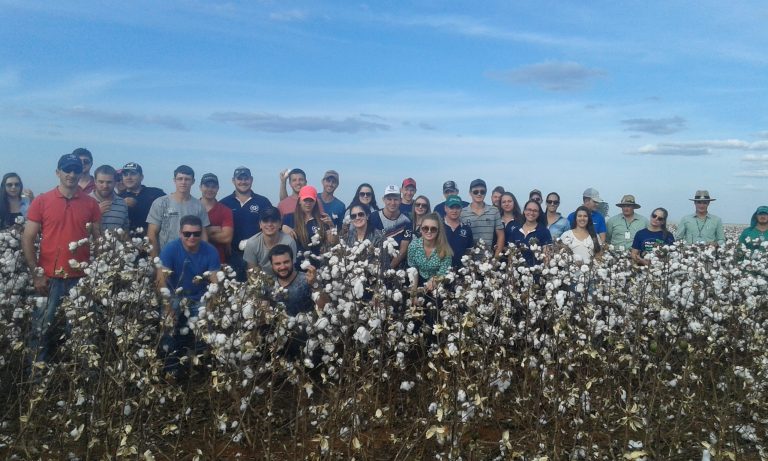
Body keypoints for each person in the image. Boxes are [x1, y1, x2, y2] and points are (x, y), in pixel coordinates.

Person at [22, 154, 101, 363]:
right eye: (67, 170)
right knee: (41, 331)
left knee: (82, 332)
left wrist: (96, 277)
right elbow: (28, 238)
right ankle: (36, 381)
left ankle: (81, 381)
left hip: (81, 279)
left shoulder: (91, 204)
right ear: (58, 172)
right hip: (49, 278)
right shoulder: (42, 201)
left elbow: (99, 241)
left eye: (76, 170)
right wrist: (36, 273)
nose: (72, 174)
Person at [156, 215, 220, 377]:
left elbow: (215, 282)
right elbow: (161, 281)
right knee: (167, 324)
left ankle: (201, 367)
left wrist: (211, 308)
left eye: (196, 234)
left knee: (206, 325)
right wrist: (169, 307)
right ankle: (171, 367)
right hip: (174, 295)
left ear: (201, 234)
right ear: (180, 233)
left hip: (200, 297)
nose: (192, 237)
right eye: (187, 234)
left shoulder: (210, 251)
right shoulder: (170, 249)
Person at [219, 166, 273, 281]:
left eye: (246, 178)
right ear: (233, 180)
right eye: (240, 179)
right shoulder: (224, 203)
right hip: (232, 257)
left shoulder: (263, 202)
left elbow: (273, 224)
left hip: (259, 256)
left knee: (257, 292)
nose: (243, 182)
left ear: (251, 180)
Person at [147, 165, 210, 258]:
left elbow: (203, 235)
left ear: (193, 181)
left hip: (191, 259)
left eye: (187, 179)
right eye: (180, 179)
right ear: (174, 180)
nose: (183, 182)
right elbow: (152, 233)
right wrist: (155, 261)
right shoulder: (160, 203)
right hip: (165, 258)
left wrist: (203, 259)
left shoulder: (199, 205)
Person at [282, 185, 337, 267]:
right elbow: (272, 229)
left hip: (317, 267)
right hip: (294, 267)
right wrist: (282, 227)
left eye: (311, 200)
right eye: (305, 200)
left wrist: (331, 226)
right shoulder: (289, 218)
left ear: (315, 202)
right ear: (299, 201)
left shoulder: (322, 219)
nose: (308, 203)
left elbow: (333, 242)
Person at [243, 207, 297, 276]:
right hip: (261, 281)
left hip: (285, 279)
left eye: (273, 221)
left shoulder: (289, 242)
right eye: (265, 221)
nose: (269, 224)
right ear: (260, 224)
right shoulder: (252, 243)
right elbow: (252, 273)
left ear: (280, 223)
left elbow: (291, 269)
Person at [369, 185, 413, 269]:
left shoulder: (406, 221)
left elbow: (403, 250)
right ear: (383, 200)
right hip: (373, 264)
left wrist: (388, 269)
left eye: (396, 199)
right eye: (389, 199)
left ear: (400, 200)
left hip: (395, 266)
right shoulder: (373, 217)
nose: (392, 203)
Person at [118, 162, 166, 237]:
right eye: (125, 174)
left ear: (141, 177)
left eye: (133, 174)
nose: (128, 177)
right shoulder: (118, 198)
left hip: (152, 241)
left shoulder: (156, 193)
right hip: (126, 244)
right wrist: (120, 204)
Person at [407, 212, 453, 290]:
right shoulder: (413, 245)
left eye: (433, 229)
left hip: (439, 286)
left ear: (438, 231)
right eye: (425, 228)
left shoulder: (445, 249)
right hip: (418, 282)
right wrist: (414, 293)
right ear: (421, 229)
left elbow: (443, 273)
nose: (429, 231)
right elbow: (413, 270)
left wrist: (433, 281)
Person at [268, 244, 316, 316]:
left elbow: (324, 306)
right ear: (272, 265)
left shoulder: (307, 279)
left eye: (286, 262)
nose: (283, 267)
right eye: (277, 264)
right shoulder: (269, 285)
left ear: (292, 261)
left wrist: (315, 285)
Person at [460, 179, 504, 257]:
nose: (479, 194)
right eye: (475, 192)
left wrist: (495, 259)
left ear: (485, 193)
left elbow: (500, 235)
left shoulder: (494, 211)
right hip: (468, 261)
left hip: (488, 261)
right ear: (470, 193)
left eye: (482, 191)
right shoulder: (462, 213)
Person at [506, 200, 552, 267]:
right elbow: (511, 256)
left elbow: (547, 257)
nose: (531, 213)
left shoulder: (544, 231)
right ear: (524, 211)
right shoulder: (515, 230)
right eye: (529, 209)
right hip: (517, 274)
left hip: (536, 273)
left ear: (539, 213)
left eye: (535, 211)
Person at [199, 173, 234, 263]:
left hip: (218, 261)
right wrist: (210, 230)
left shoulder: (225, 210)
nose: (210, 189)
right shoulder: (191, 207)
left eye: (213, 186)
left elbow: (226, 238)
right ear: (200, 187)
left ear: (218, 188)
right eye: (207, 186)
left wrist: (198, 233)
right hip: (194, 260)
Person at [91, 164, 130, 233]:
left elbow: (125, 231)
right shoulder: (84, 202)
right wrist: (96, 213)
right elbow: (79, 228)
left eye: (109, 182)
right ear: (95, 181)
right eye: (101, 182)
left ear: (115, 182)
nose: (105, 186)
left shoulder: (122, 203)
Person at [442, 195, 474, 269]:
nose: (455, 211)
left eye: (457, 207)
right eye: (451, 207)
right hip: (441, 271)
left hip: (461, 272)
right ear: (445, 208)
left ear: (461, 209)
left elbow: (470, 252)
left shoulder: (466, 229)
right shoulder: (438, 226)